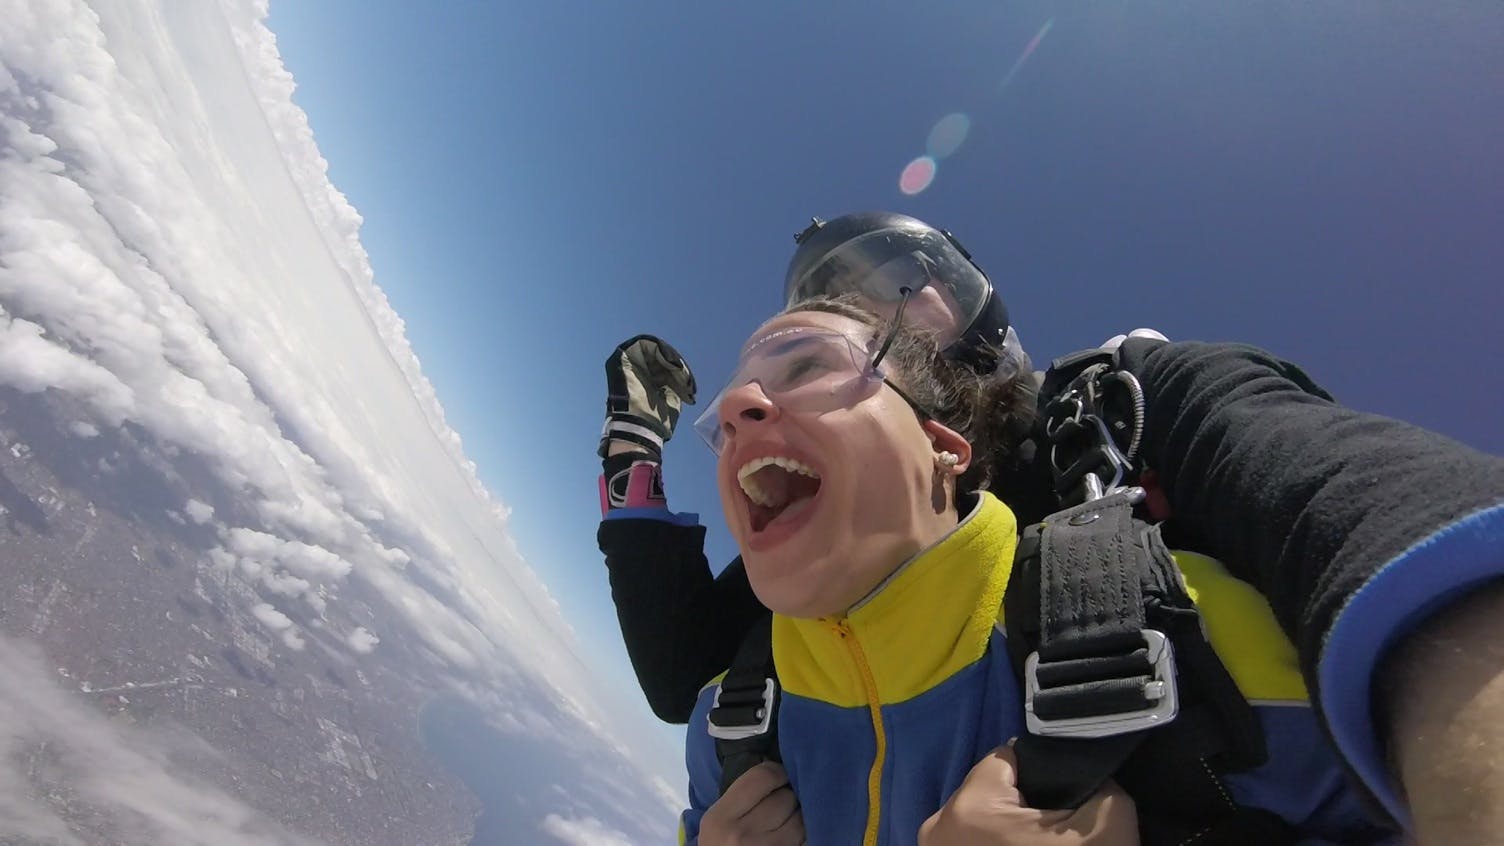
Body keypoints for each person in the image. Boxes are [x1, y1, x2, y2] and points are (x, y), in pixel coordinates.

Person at [597, 212, 1504, 843]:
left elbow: (1353, 497)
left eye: (892, 292)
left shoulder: (1107, 407)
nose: (871, 321)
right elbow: (685, 671)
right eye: (837, 309)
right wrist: (632, 451)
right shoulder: (819, 565)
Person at [681, 297, 1394, 843]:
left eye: (811, 367)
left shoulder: (1187, 643)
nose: (739, 409)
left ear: (945, 448)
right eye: (729, 407)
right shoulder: (729, 725)